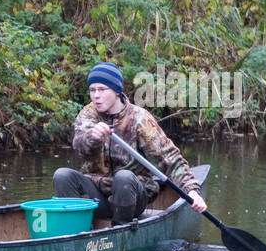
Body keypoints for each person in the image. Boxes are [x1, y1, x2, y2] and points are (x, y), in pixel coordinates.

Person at [53, 62, 208, 223]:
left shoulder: (139, 118)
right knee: (62, 175)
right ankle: (75, 230)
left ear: (116, 91)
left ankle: (120, 231)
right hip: (98, 195)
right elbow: (79, 148)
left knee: (124, 177)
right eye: (92, 90)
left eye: (102, 89)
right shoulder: (88, 114)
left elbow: (169, 158)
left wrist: (191, 190)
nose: (96, 95)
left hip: (132, 196)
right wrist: (92, 137)